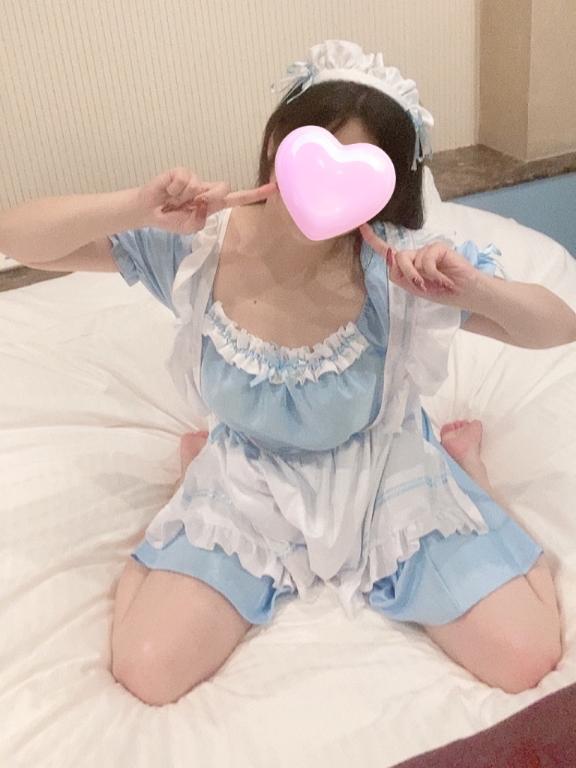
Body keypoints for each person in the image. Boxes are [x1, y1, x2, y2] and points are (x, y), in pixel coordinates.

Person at [3, 40, 568, 707]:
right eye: (313, 155)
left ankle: (468, 470)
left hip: (381, 474)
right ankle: (193, 473)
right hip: (248, 483)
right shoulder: (198, 250)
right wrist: (135, 206)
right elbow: (17, 238)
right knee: (146, 668)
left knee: (526, 655)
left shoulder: (398, 269)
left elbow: (558, 326)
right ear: (275, 142)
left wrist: (476, 290)